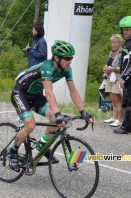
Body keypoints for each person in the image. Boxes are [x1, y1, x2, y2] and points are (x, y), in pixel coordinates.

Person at [9, 40, 94, 172]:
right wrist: (58, 112)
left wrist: (83, 111)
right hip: (20, 93)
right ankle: (13, 152)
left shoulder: (67, 70)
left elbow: (73, 91)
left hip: (35, 95)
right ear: (56, 58)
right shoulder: (47, 67)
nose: (70, 61)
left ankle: (42, 146)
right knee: (30, 125)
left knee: (54, 119)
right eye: (67, 58)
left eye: (71, 58)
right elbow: (48, 92)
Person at [103, 34, 124, 127]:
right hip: (109, 78)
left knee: (117, 99)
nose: (114, 44)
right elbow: (108, 63)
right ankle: (114, 117)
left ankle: (120, 119)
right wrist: (106, 68)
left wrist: (112, 69)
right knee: (112, 98)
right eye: (113, 42)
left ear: (120, 43)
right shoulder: (111, 52)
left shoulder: (122, 53)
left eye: (116, 42)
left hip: (118, 78)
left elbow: (122, 68)